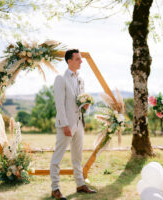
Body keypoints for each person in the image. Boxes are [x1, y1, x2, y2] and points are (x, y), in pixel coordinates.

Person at [50, 49, 97, 200]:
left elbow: (79, 102)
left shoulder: (80, 79)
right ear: (69, 61)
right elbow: (60, 105)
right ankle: (55, 188)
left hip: (79, 123)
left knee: (77, 157)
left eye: (81, 59)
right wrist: (65, 125)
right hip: (66, 125)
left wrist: (85, 106)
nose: (81, 61)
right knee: (58, 157)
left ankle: (80, 184)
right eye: (78, 59)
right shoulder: (60, 79)